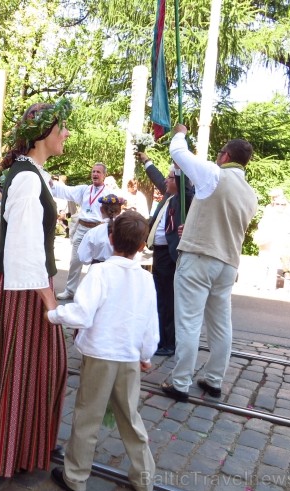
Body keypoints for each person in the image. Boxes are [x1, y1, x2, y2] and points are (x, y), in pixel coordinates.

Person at [0, 98, 71, 477]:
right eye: (61, 129)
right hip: (23, 291)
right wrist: (49, 301)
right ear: (43, 134)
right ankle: (12, 449)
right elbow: (23, 246)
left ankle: (27, 442)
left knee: (35, 368)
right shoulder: (26, 178)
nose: (66, 134)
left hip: (26, 286)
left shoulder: (32, 172)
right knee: (25, 366)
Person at [47, 211, 158, 491]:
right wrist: (146, 355)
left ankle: (76, 476)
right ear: (143, 244)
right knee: (130, 417)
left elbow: (82, 314)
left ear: (110, 239)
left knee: (88, 416)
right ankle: (144, 478)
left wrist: (54, 314)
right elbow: (150, 323)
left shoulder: (100, 272)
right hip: (129, 356)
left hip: (99, 355)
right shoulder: (146, 279)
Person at [161, 124, 257, 402]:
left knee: (189, 322)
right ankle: (214, 379)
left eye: (219, 153)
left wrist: (180, 132)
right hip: (228, 263)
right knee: (221, 324)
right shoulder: (251, 194)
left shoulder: (214, 174)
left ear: (225, 155)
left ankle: (181, 383)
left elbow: (178, 152)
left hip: (200, 257)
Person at [137, 153, 194, 357]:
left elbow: (184, 185)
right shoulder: (169, 195)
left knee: (167, 300)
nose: (166, 180)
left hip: (171, 255)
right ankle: (161, 337)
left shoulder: (184, 197)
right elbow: (157, 177)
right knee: (160, 297)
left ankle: (168, 342)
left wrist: (180, 165)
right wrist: (146, 161)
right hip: (159, 253)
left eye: (170, 178)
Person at [51, 162, 112, 299]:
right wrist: (50, 184)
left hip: (98, 229)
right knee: (75, 260)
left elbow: (113, 213)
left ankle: (94, 293)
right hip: (82, 228)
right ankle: (70, 291)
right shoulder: (85, 190)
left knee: (98, 262)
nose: (95, 174)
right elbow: (66, 191)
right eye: (93, 171)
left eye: (98, 172)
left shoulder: (109, 193)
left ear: (104, 175)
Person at [76, 193, 125, 264]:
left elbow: (83, 258)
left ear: (101, 210)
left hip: (97, 271)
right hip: (121, 271)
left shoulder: (93, 233)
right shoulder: (127, 231)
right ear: (120, 211)